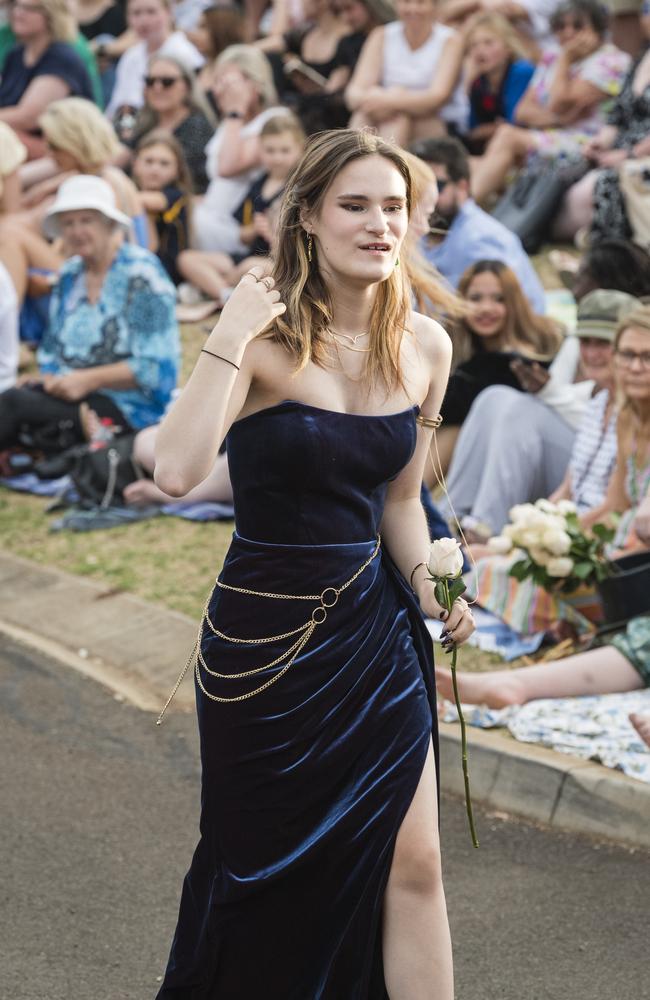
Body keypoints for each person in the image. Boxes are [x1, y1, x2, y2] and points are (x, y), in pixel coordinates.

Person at [153, 128, 474, 999]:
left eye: (394, 208)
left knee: (415, 863)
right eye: (355, 205)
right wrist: (228, 328)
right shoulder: (259, 344)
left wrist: (432, 585)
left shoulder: (427, 349)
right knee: (261, 875)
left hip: (377, 639)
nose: (379, 225)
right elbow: (176, 473)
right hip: (263, 647)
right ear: (306, 217)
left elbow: (400, 503)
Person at [440, 288, 639, 540]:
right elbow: (568, 485)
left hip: (597, 521)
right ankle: (449, 520)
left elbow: (614, 503)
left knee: (521, 412)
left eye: (603, 344)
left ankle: (485, 529)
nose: (591, 353)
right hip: (568, 493)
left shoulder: (634, 405)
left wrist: (523, 539)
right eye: (585, 342)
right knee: (495, 396)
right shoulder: (598, 397)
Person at [0, 175, 180, 449]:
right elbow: (51, 349)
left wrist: (87, 380)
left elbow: (157, 367)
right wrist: (48, 379)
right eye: (69, 223)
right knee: (16, 398)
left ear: (109, 224)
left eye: (86, 221)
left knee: (14, 405)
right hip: (71, 396)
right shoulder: (70, 275)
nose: (76, 231)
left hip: (132, 405)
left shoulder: (142, 275)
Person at [471, 0, 630, 204]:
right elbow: (522, 111)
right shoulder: (553, 57)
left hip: (589, 144)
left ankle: (463, 211)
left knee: (507, 138)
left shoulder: (612, 61)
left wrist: (565, 61)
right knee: (477, 159)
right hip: (553, 135)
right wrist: (560, 120)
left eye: (578, 26)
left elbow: (559, 102)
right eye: (561, 26)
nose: (568, 32)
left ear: (598, 28)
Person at [437, 259, 562, 471]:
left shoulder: (541, 346)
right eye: (475, 298)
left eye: (499, 299)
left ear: (514, 303)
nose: (486, 308)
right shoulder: (453, 342)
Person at [177, 112, 305, 315]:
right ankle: (225, 294)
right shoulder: (257, 184)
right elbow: (243, 236)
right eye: (270, 150)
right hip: (249, 254)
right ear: (260, 150)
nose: (277, 157)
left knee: (251, 267)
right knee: (187, 259)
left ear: (300, 149)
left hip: (277, 261)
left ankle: (211, 289)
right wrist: (255, 230)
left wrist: (273, 235)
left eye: (285, 150)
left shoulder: (299, 188)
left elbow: (295, 245)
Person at [414, 136, 546, 313]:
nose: (425, 196)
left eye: (436, 185)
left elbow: (496, 316)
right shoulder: (420, 232)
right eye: (414, 185)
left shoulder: (480, 241)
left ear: (462, 187)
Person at [558, 20, 650, 243]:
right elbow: (617, 116)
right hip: (620, 150)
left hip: (640, 157)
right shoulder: (642, 58)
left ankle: (610, 256)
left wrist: (628, 155)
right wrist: (599, 144)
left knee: (597, 187)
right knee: (563, 172)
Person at [192, 45, 284, 254]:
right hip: (211, 218)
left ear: (255, 84)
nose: (218, 90)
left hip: (240, 229)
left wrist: (235, 113)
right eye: (217, 81)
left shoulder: (274, 120)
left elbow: (227, 167)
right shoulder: (230, 123)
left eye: (227, 82)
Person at [345, 0, 465, 145]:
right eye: (406, 2)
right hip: (382, 112)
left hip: (433, 120)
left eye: (420, 3)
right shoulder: (381, 35)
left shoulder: (450, 40)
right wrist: (379, 99)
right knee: (362, 117)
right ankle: (355, 161)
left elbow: (437, 97)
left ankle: (382, 164)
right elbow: (353, 94)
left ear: (434, 6)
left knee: (398, 119)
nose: (413, 8)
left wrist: (392, 100)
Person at [0, 0, 95, 159]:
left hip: (64, 153)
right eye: (17, 6)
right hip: (20, 141)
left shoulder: (61, 57)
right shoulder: (16, 54)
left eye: (29, 9)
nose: (18, 13)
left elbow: (29, 118)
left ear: (51, 15)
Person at [105, 0, 203, 129]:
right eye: (136, 13)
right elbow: (118, 107)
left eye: (151, 12)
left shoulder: (186, 54)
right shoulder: (131, 56)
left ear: (169, 12)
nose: (143, 20)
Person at [126, 53, 215, 193]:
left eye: (167, 82)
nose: (157, 87)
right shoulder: (144, 123)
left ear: (186, 87)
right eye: (150, 81)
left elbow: (190, 179)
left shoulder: (197, 127)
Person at [463, 12, 536, 154]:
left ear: (508, 47)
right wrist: (468, 82)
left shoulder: (521, 71)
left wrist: (487, 130)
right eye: (474, 45)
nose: (480, 50)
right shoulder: (478, 81)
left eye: (488, 43)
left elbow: (514, 121)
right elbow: (471, 130)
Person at [132, 129, 192, 284]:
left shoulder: (175, 195)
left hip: (168, 272)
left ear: (177, 170)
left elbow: (147, 201)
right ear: (136, 164)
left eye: (164, 163)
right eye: (149, 161)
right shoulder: (133, 192)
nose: (155, 169)